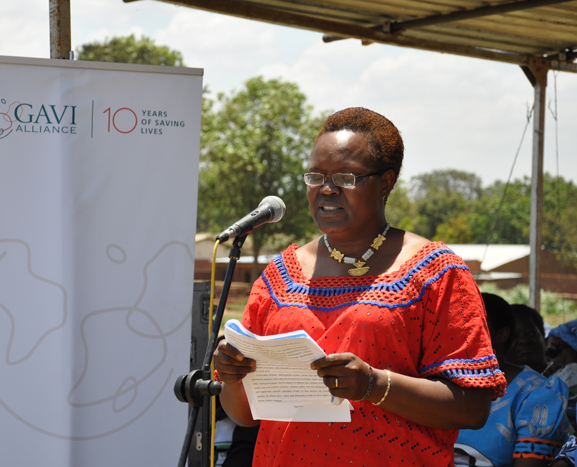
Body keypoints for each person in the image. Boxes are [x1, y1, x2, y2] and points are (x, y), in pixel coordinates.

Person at [214, 107, 506, 466]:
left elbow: (473, 408)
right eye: (315, 176)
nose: (327, 189)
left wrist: (373, 384)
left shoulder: (437, 273)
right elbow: (244, 415)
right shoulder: (278, 277)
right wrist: (232, 377)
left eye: (346, 178)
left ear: (385, 183)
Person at [455, 294, 571, 466]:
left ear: (502, 335)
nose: (460, 335)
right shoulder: (439, 384)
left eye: (471, 328)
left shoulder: (537, 394)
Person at [506, 304, 550, 374]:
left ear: (543, 337)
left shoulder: (567, 377)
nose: (524, 340)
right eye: (514, 336)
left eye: (531, 333)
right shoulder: (490, 382)